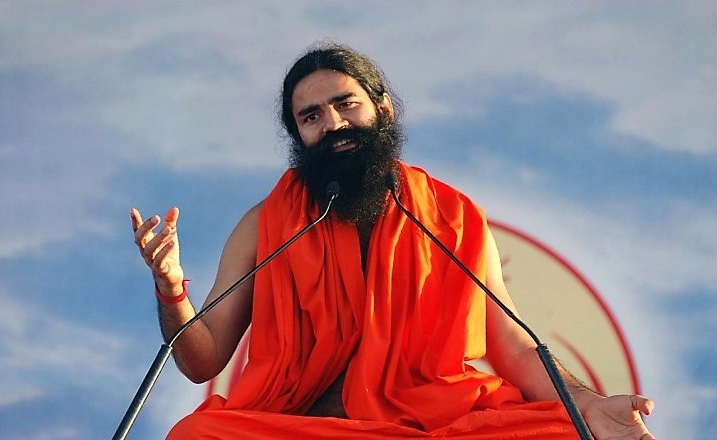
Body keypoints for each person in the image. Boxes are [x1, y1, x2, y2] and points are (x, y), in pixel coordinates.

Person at [131, 43, 656, 439]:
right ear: (299, 136)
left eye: (346, 104)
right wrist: (171, 289)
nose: (334, 124)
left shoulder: (451, 215)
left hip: (430, 426)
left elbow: (514, 347)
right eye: (311, 117)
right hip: (303, 426)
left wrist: (588, 405)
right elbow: (202, 362)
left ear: (382, 108)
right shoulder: (266, 223)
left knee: (565, 433)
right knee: (195, 434)